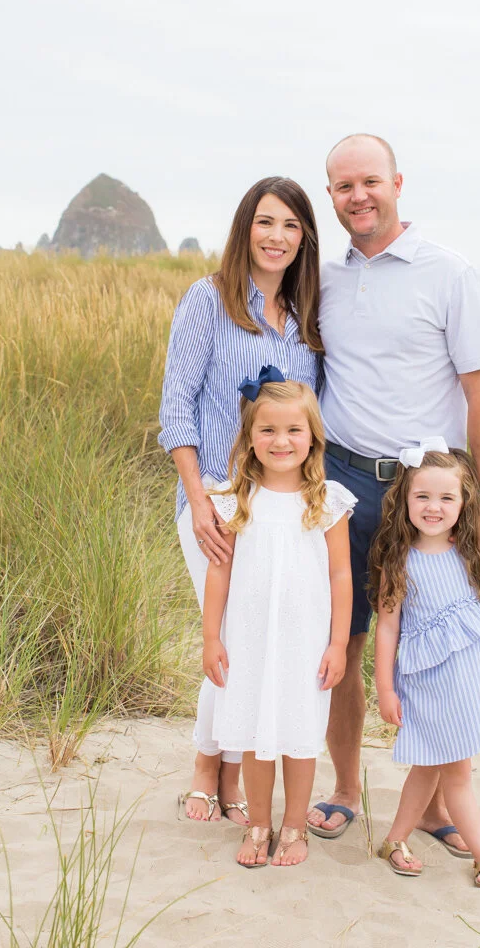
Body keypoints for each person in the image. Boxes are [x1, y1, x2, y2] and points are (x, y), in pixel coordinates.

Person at [308, 133, 480, 854]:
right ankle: (345, 789)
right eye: (343, 186)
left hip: (429, 498)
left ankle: (431, 805)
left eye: (369, 181)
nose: (357, 196)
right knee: (346, 641)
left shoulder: (449, 273)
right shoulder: (321, 277)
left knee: (436, 647)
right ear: (331, 196)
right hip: (342, 483)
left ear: (396, 183)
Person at [158, 177, 323, 826]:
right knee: (228, 634)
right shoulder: (209, 299)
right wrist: (198, 499)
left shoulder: (307, 320)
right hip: (217, 498)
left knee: (258, 637)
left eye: (290, 225)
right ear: (244, 228)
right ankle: (209, 765)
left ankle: (233, 767)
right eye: (265, 222)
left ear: (304, 237)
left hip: (282, 508)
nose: (276, 236)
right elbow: (177, 406)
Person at [202, 374, 355, 867]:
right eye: (267, 430)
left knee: (298, 732)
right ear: (250, 437)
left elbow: (340, 576)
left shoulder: (328, 500)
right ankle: (259, 825)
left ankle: (293, 827)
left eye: (293, 430)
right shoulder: (236, 499)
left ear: (312, 437)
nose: (281, 441)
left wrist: (337, 644)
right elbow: (219, 573)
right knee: (254, 733)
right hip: (249, 640)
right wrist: (211, 637)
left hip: (304, 642)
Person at [370, 439, 480, 887]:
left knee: (429, 768)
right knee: (457, 774)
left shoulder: (467, 553)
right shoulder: (400, 561)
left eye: (445, 497)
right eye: (422, 496)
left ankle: (395, 840)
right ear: (405, 499)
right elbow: (387, 628)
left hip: (467, 682)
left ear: (463, 503)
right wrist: (385, 689)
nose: (433, 507)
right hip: (428, 686)